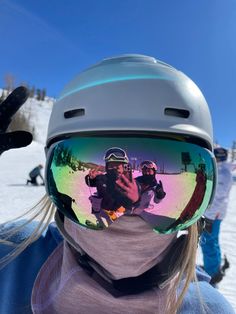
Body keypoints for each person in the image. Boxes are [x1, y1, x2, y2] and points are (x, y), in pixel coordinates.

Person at [0, 55, 234, 314]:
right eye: (105, 161)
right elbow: (88, 180)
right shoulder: (12, 253)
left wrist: (140, 199)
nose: (126, 223)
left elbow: (161, 194)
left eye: (128, 166)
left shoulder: (207, 309)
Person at [200, 146, 233, 286]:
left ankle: (211, 273)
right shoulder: (221, 170)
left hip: (214, 215)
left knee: (207, 242)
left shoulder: (224, 173)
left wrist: (209, 217)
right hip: (214, 214)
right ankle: (214, 267)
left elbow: (220, 198)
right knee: (212, 240)